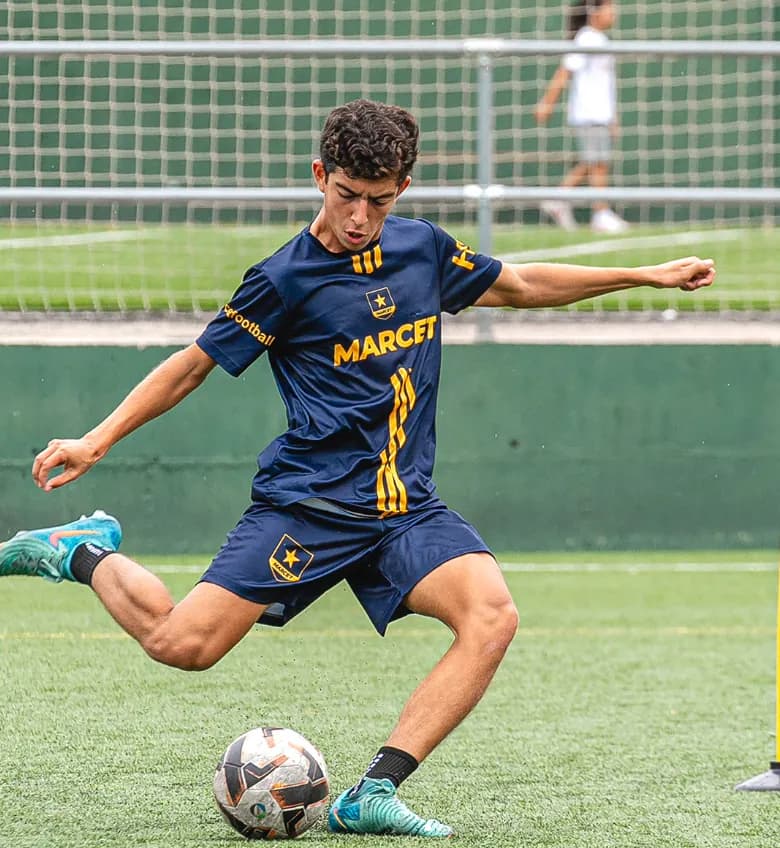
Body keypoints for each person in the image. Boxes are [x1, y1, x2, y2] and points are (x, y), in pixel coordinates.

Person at [0, 99, 714, 837]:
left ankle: (372, 791)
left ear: (402, 187)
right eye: (346, 196)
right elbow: (191, 367)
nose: (359, 218)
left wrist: (646, 275)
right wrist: (97, 439)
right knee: (184, 646)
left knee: (492, 616)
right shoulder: (283, 280)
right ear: (320, 176)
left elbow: (521, 284)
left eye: (379, 200)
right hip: (309, 506)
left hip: (405, 508)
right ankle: (82, 549)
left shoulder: (423, 250)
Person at [535, 0, 628, 233]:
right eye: (609, 7)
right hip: (589, 113)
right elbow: (565, 70)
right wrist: (547, 103)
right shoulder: (586, 38)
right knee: (598, 164)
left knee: (594, 162)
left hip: (600, 114)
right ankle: (600, 213)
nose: (613, 12)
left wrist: (612, 116)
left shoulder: (599, 39)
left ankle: (559, 200)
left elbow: (605, 84)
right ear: (594, 12)